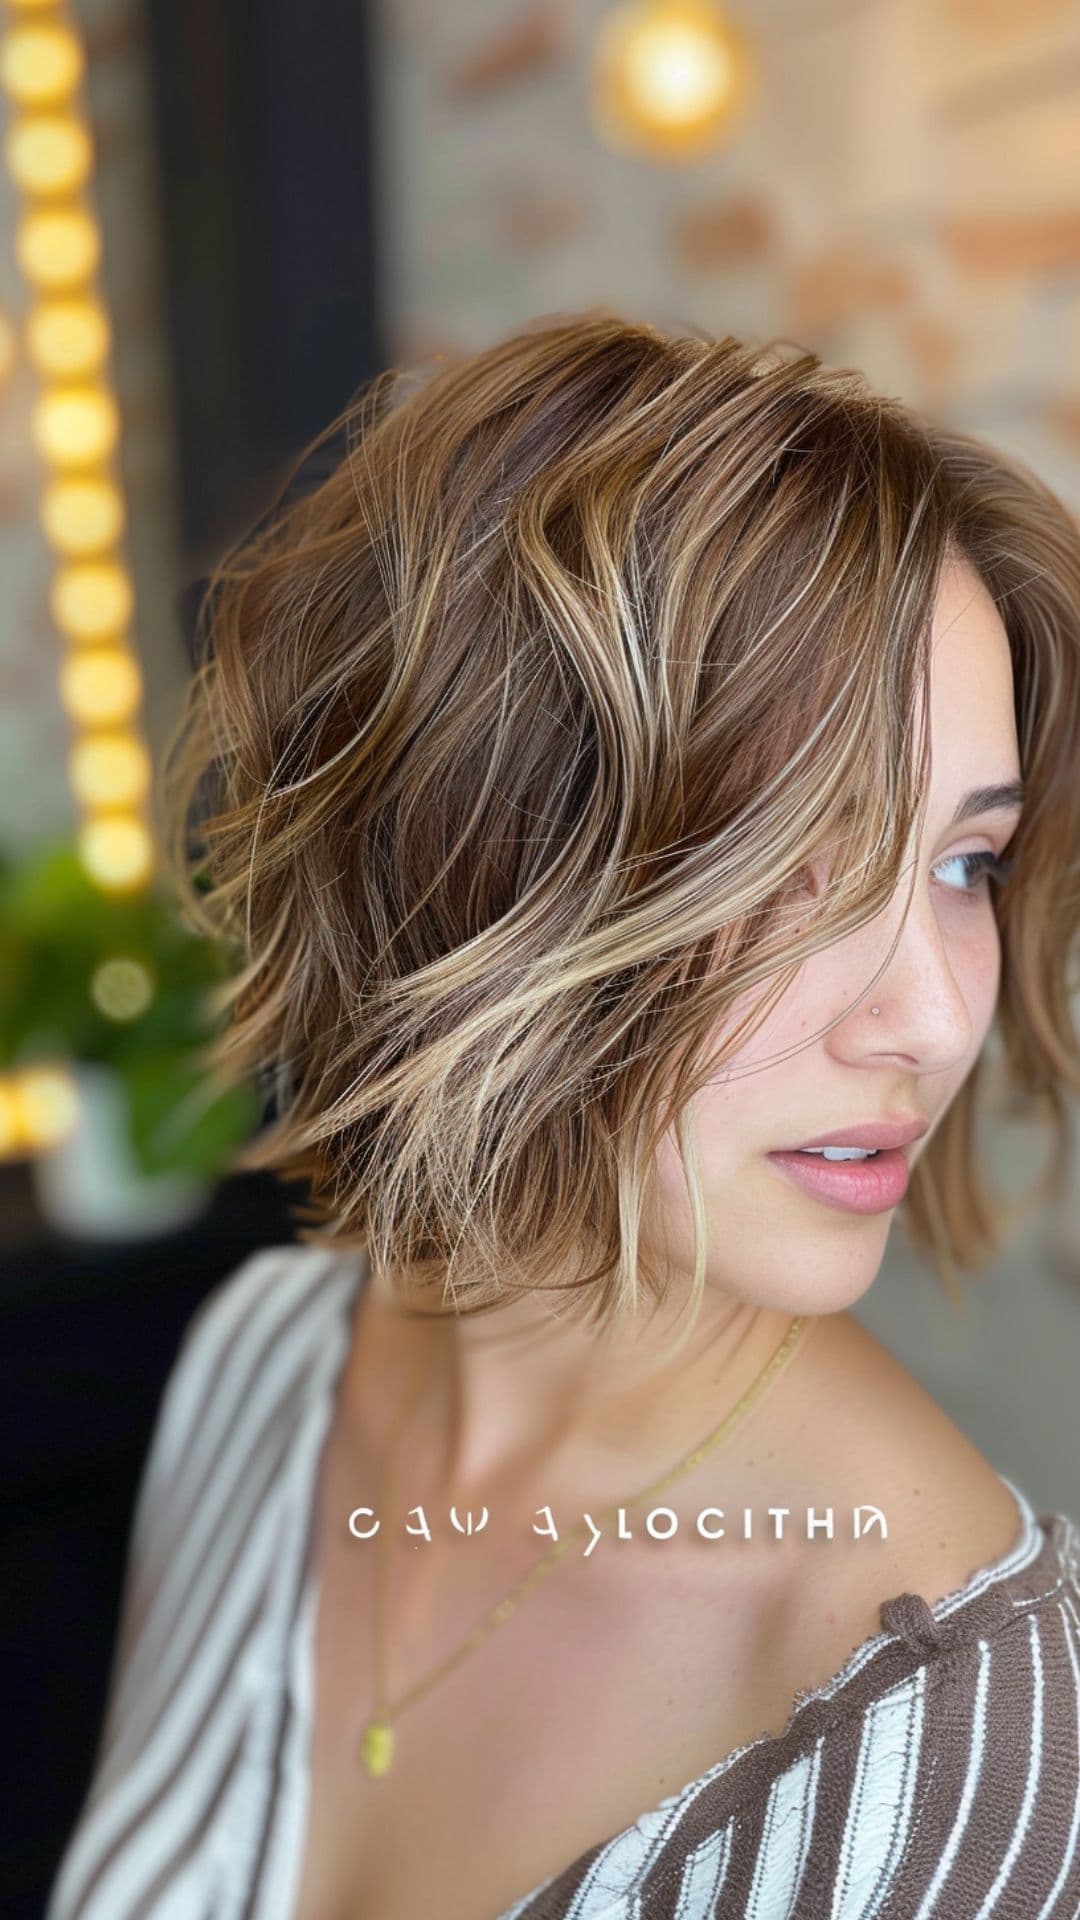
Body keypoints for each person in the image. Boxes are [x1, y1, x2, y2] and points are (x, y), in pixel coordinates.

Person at [48, 313, 1080, 1920]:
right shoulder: (262, 1372)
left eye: (965, 866)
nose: (939, 1020)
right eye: (798, 876)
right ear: (483, 864)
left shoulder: (960, 1750)